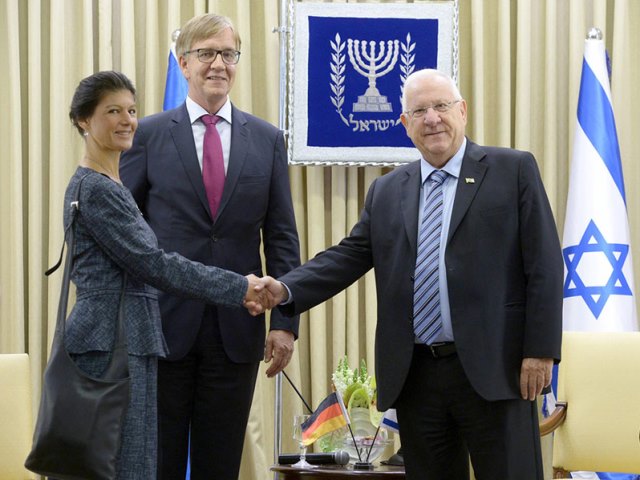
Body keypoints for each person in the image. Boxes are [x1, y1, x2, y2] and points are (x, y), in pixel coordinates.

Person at [259, 69, 564, 480]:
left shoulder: (512, 170)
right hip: (418, 375)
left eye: (441, 106)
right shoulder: (388, 192)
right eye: (419, 111)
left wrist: (540, 350)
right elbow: (349, 256)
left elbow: (544, 265)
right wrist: (284, 288)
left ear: (463, 111)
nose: (432, 118)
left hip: (499, 369)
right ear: (405, 124)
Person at [119, 13, 301, 480]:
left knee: (219, 466)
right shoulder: (148, 135)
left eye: (228, 53)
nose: (218, 63)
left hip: (237, 330)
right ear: (183, 63)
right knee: (157, 465)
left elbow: (281, 239)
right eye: (206, 53)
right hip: (162, 329)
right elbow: (126, 235)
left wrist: (285, 324)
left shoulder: (267, 140)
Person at [63, 70, 266, 479]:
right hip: (110, 345)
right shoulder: (97, 189)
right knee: (121, 467)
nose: (127, 121)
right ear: (85, 120)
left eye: (132, 110)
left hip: (129, 339)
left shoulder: (111, 184)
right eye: (113, 111)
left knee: (137, 465)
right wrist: (238, 286)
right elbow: (154, 263)